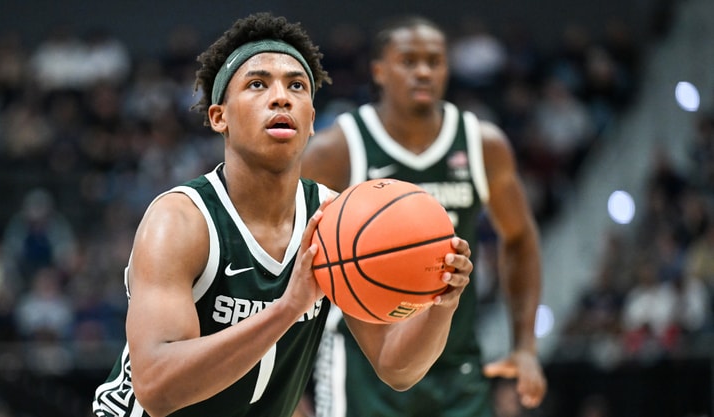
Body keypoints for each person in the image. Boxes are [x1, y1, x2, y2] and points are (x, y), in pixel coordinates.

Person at [92, 12, 475, 417]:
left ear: (311, 120)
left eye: (297, 86)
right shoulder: (181, 221)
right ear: (219, 117)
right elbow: (156, 389)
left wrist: (441, 305)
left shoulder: (337, 222)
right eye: (257, 84)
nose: (281, 97)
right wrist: (287, 309)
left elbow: (396, 368)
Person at [301, 15, 546, 417]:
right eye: (408, 61)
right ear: (379, 70)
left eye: (434, 61)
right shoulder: (336, 151)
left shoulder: (482, 145)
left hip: (456, 362)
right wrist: (288, 386)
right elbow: (290, 257)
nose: (423, 71)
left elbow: (519, 237)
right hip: (362, 364)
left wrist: (525, 346)